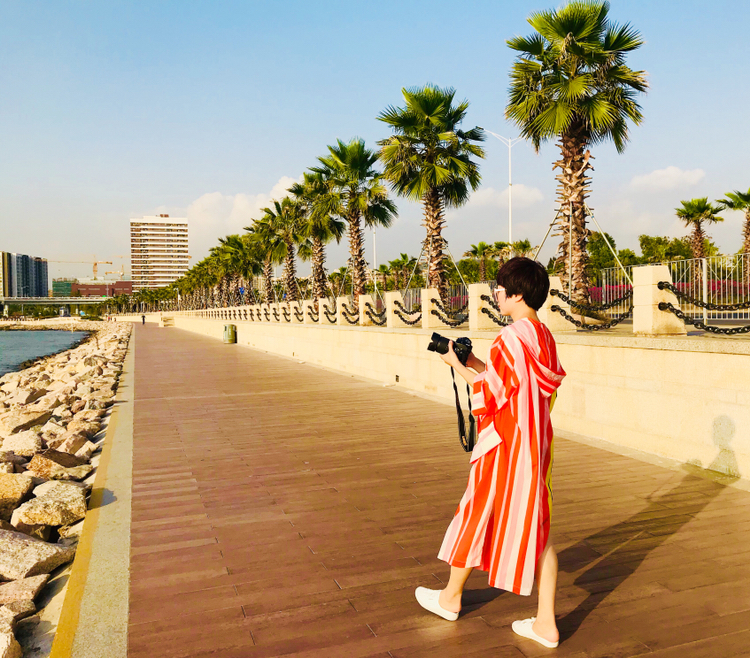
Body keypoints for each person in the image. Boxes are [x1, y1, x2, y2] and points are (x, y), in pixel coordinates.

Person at [416, 257, 566, 649]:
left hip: (504, 447)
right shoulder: (543, 337)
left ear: (517, 294)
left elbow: (491, 394)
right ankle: (546, 624)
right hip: (536, 446)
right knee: (540, 529)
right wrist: (473, 361)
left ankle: (450, 598)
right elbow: (520, 383)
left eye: (500, 288)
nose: (496, 293)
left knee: (475, 512)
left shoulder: (509, 338)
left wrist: (456, 364)